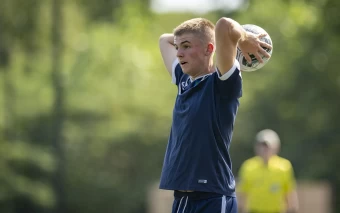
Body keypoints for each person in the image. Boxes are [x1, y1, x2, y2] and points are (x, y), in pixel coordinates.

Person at [158, 17, 272, 213]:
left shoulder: (223, 84)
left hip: (211, 196)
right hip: (183, 198)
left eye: (186, 46)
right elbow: (163, 40)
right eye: (178, 48)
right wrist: (196, 37)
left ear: (210, 49)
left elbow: (224, 25)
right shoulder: (184, 81)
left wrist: (243, 39)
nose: (179, 53)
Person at [237, 129, 299, 213]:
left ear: (276, 147)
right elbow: (242, 193)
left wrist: (292, 210)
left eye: (267, 146)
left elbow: (289, 193)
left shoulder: (284, 166)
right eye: (261, 146)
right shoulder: (248, 166)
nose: (264, 149)